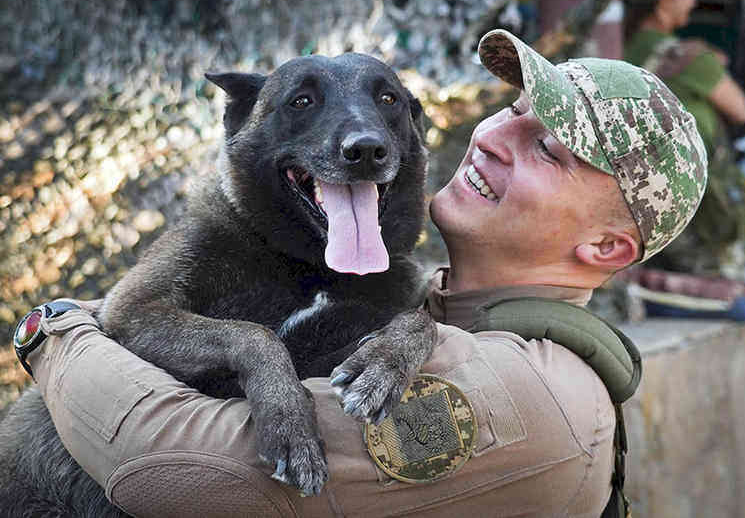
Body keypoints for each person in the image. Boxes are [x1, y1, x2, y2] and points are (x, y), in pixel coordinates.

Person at [19, 29, 707, 517]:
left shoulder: (523, 398)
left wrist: (51, 329)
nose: (491, 137)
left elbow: (185, 477)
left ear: (608, 249)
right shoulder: (440, 306)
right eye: (513, 112)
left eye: (547, 150)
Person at [623, 0, 745, 276]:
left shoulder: (619, 51)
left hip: (640, 202)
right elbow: (741, 110)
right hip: (696, 206)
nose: (693, 2)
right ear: (663, 1)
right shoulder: (690, 57)